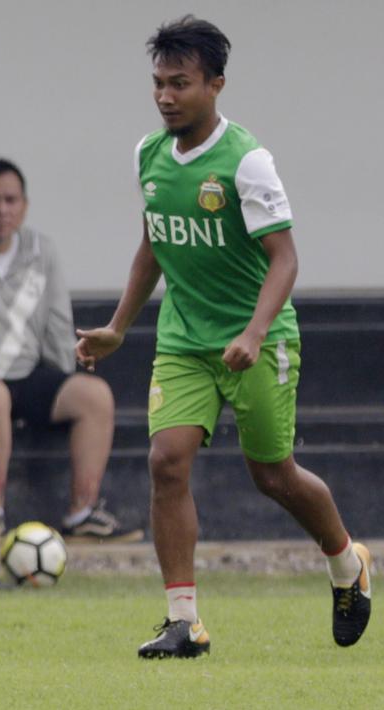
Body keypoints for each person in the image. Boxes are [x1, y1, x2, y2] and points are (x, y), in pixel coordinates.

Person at [76, 16, 371, 658]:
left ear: (215, 85)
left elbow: (285, 258)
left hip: (257, 341)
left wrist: (256, 331)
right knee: (166, 461)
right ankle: (184, 621)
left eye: (179, 83)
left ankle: (347, 562)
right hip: (184, 340)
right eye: (158, 83)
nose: (165, 96)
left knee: (274, 476)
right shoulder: (147, 155)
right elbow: (154, 242)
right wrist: (118, 328)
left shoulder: (247, 161)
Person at [0, 158, 141, 543]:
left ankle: (83, 513)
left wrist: (66, 371)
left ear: (24, 205)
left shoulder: (41, 250)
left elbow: (59, 320)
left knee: (93, 396)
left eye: (10, 200)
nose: (1, 209)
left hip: (29, 372)